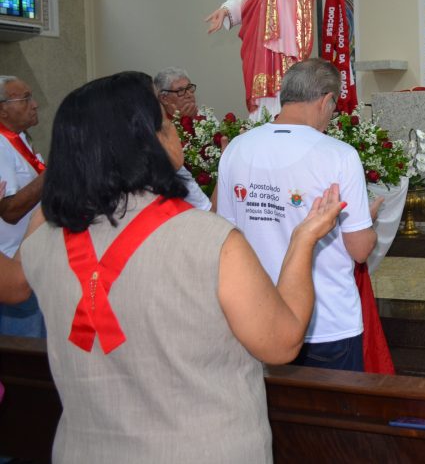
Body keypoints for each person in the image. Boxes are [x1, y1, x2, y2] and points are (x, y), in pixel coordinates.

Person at [18, 71, 344, 462]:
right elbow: (282, 341)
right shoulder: (210, 241)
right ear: (148, 142)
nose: (174, 130)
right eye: (167, 123)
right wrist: (303, 241)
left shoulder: (40, 246)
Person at [217, 58, 377, 371]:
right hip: (326, 321)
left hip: (257, 319)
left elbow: (223, 234)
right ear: (327, 101)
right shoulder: (339, 155)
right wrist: (369, 222)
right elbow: (359, 250)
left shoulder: (236, 148)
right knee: (334, 417)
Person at [0, 75, 46, 337]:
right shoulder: (0, 144)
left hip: (30, 260)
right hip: (10, 264)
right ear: (2, 107)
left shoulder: (20, 141)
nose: (35, 104)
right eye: (25, 98)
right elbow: (9, 212)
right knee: (24, 351)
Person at [153, 67, 213, 211]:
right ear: (164, 98)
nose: (188, 95)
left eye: (190, 88)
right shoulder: (159, 127)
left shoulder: (205, 115)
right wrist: (181, 122)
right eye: (180, 91)